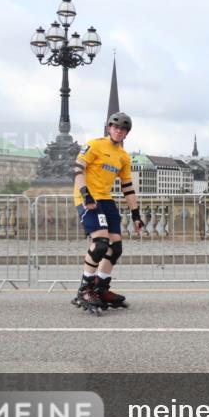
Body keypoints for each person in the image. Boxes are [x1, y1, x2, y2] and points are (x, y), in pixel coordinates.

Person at [72, 112, 144, 311]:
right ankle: (85, 289)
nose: (118, 130)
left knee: (116, 247)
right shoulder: (95, 145)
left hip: (105, 198)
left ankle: (101, 288)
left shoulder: (123, 156)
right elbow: (78, 168)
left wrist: (136, 214)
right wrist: (85, 194)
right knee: (101, 244)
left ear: (126, 133)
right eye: (115, 127)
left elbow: (128, 187)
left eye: (122, 128)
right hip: (88, 197)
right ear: (109, 128)